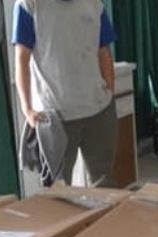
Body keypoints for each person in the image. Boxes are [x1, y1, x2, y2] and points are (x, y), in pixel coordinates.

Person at [13, 0, 118, 187]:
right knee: (57, 189)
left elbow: (103, 50)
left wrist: (109, 90)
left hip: (98, 108)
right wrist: (27, 108)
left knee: (104, 182)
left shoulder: (94, 4)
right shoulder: (29, 4)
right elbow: (22, 58)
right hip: (54, 115)